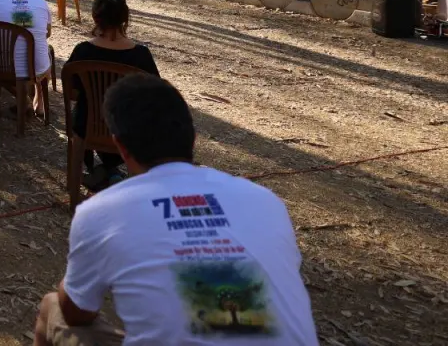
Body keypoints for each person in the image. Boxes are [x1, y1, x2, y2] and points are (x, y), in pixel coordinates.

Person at [33, 75, 318, 346]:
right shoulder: (266, 201)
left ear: (120, 147)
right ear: (193, 139)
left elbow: (76, 313)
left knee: (51, 306)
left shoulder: (102, 211)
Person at [67, 0, 160, 191]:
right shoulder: (141, 55)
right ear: (125, 18)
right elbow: (154, 96)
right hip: (127, 127)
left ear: (95, 17)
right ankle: (113, 172)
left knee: (80, 112)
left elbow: (71, 93)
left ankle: (97, 173)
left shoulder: (83, 51)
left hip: (87, 123)